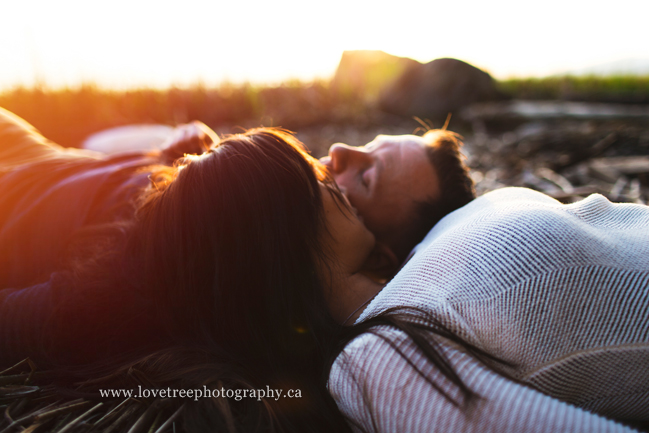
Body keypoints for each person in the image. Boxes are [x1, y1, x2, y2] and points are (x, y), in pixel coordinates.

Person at [0, 107, 643, 433]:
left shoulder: (129, 287)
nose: (335, 153)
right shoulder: (234, 200)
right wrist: (193, 155)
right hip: (47, 158)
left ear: (385, 252)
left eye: (354, 184)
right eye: (319, 164)